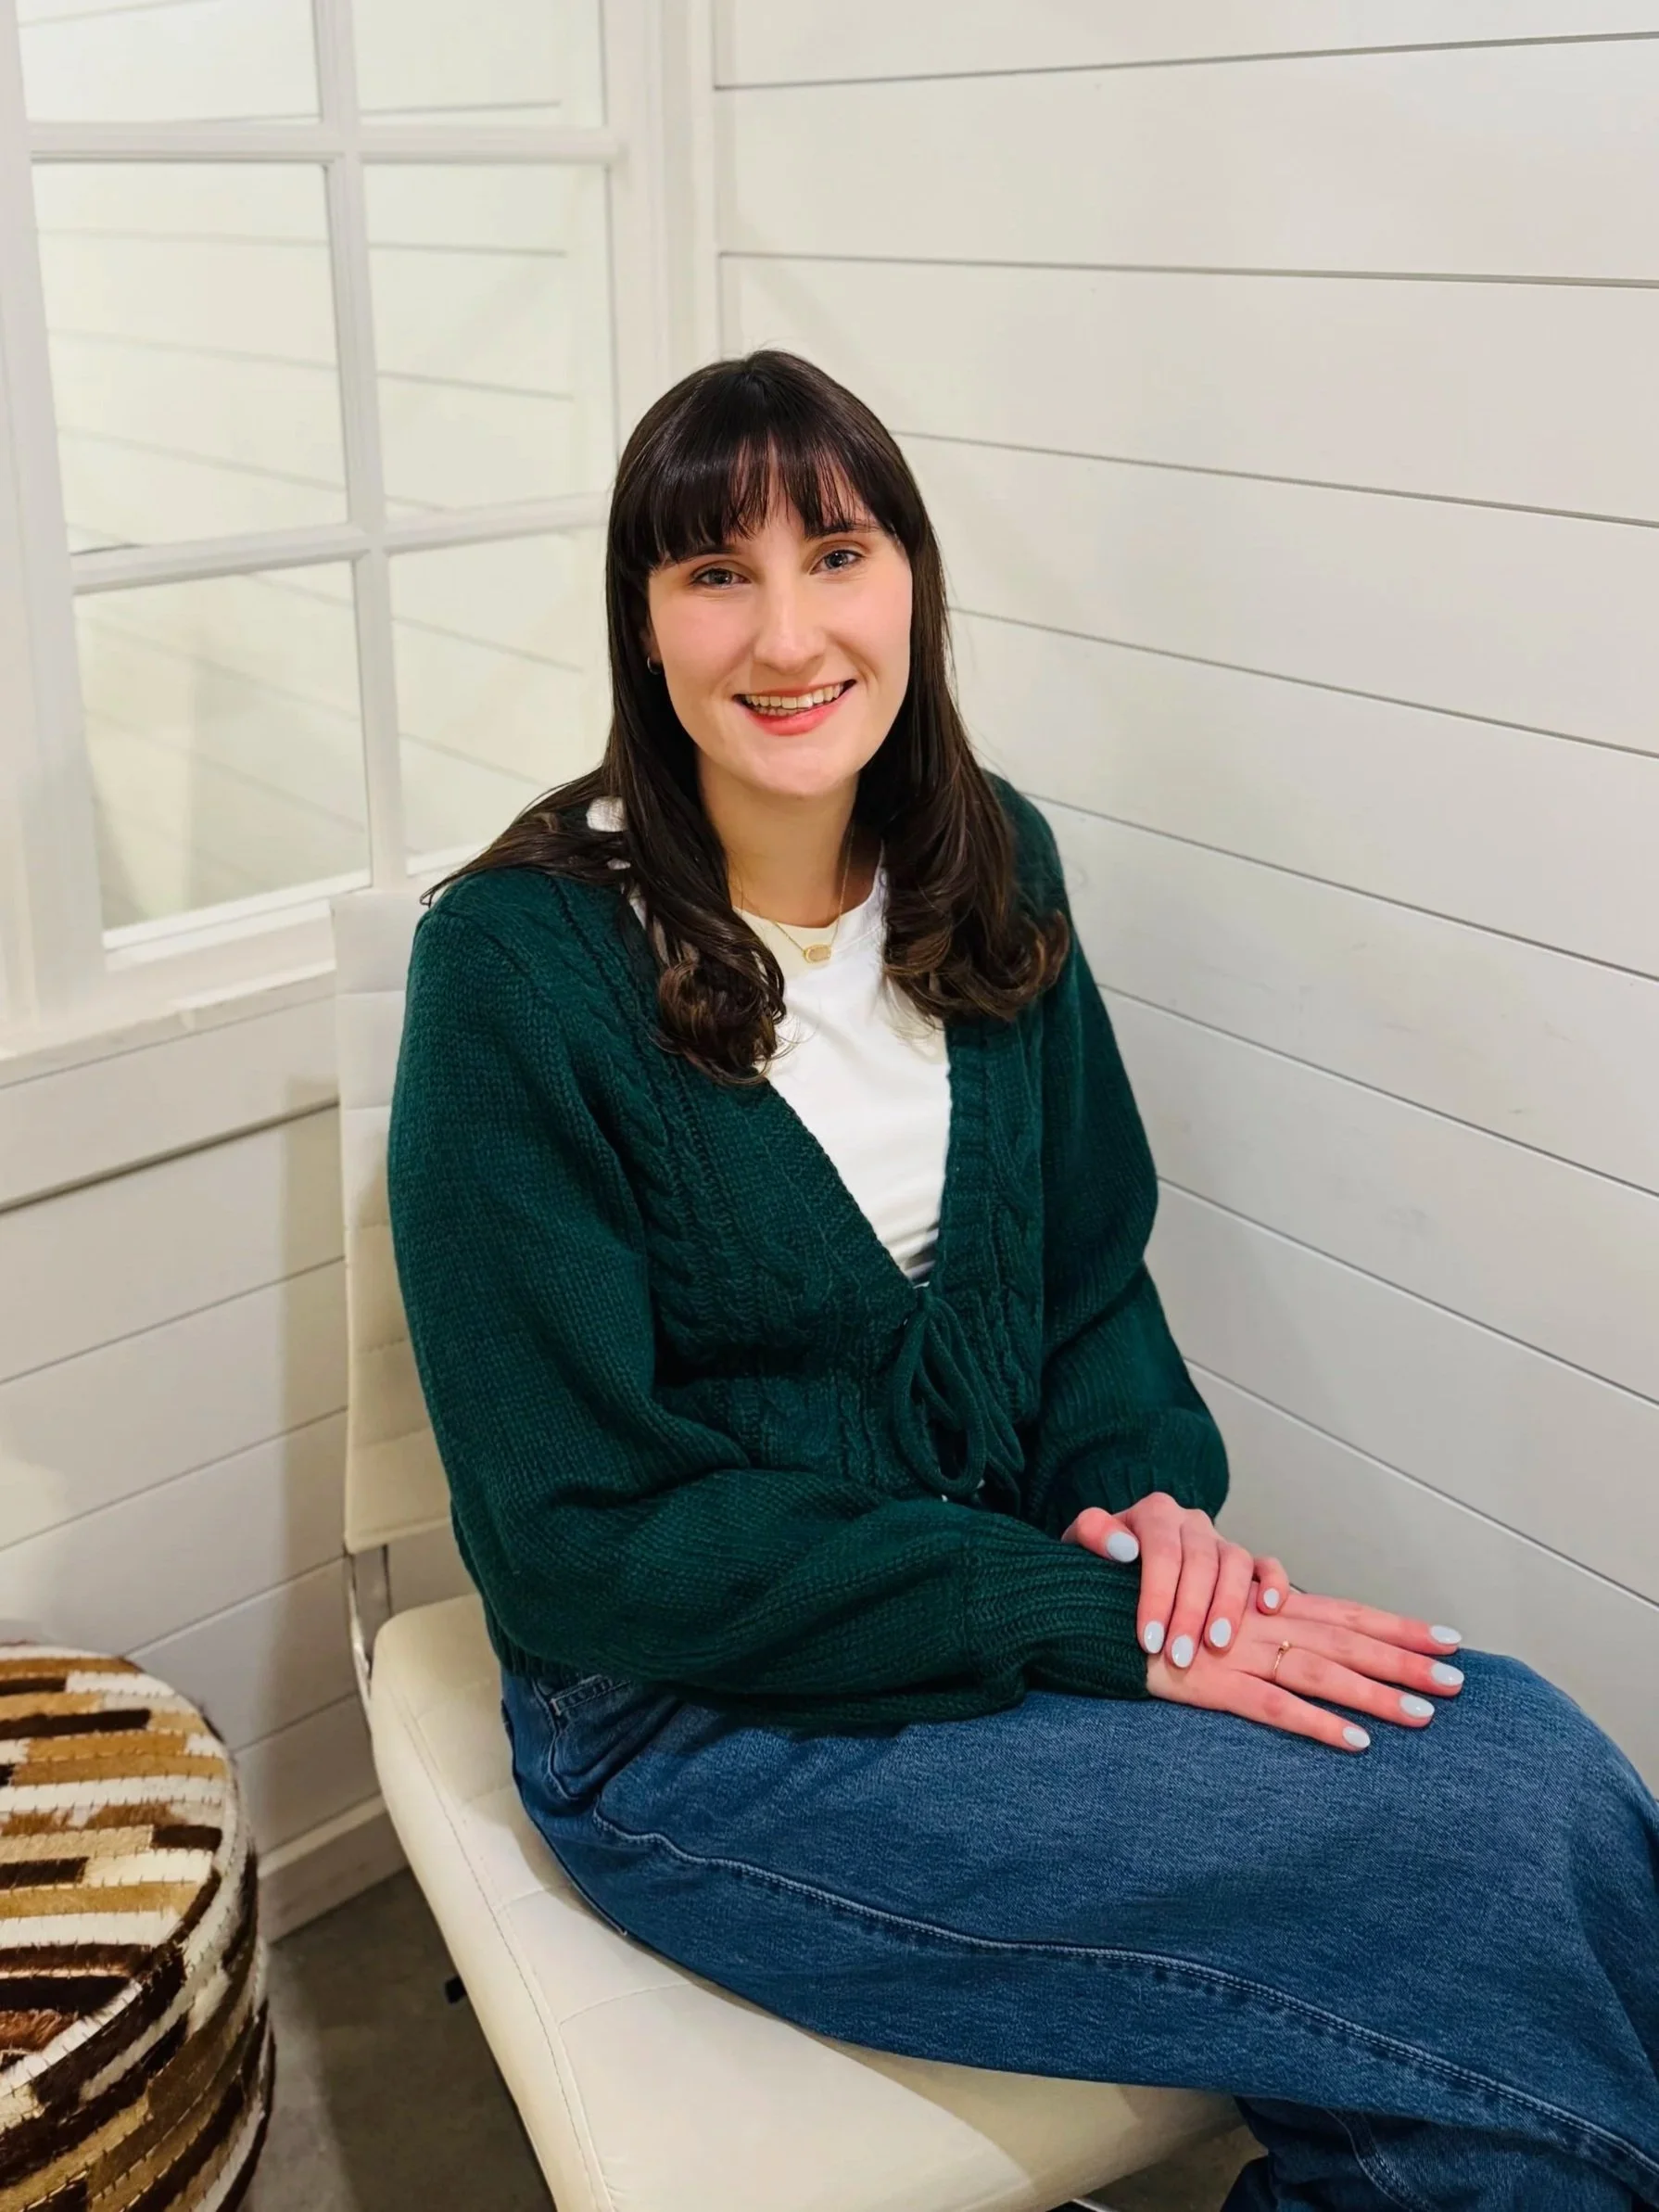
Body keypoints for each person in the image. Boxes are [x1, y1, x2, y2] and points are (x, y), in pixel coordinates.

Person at [386, 350, 1659, 2209]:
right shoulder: (516, 969)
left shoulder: (991, 864)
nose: (788, 632)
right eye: (716, 572)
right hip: (696, 1719)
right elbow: (579, 1535)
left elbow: (1085, 1285)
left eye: (837, 553)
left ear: (912, 582)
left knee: (1525, 1771)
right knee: (1476, 1863)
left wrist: (1142, 1502)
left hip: (1007, 1586)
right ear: (642, 628)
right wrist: (1079, 1616)